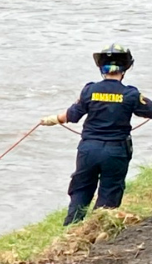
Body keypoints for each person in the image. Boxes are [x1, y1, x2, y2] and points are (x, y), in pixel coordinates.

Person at [40, 44, 152, 224]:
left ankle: (71, 229)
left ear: (101, 67)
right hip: (115, 152)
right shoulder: (131, 94)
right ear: (126, 68)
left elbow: (72, 115)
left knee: (81, 190)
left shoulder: (89, 90)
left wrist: (52, 119)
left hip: (88, 150)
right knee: (110, 194)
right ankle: (97, 229)